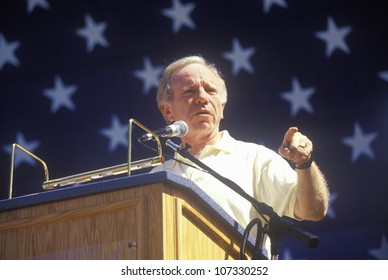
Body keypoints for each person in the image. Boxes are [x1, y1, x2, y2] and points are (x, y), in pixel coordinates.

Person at [151, 55, 330, 258]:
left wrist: (304, 163)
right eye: (190, 91)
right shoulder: (158, 175)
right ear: (168, 111)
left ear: (222, 107)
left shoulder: (255, 158)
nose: (202, 98)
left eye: (210, 91)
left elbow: (313, 210)